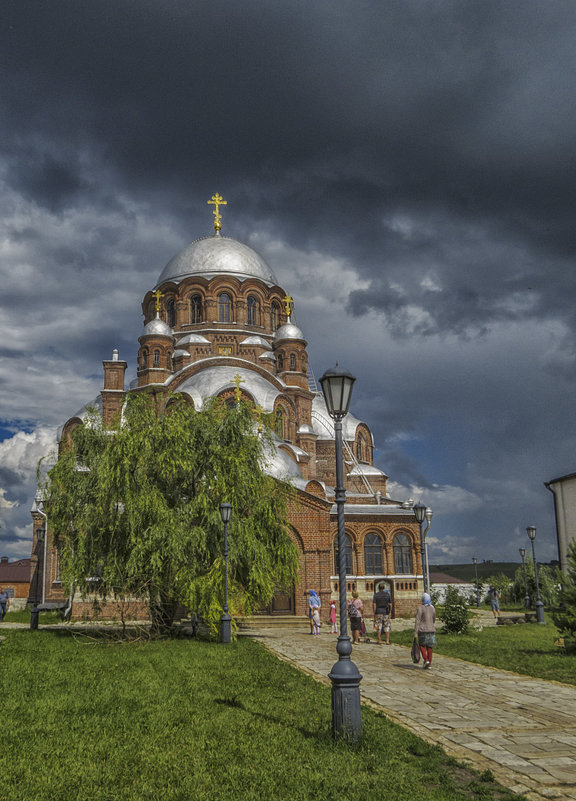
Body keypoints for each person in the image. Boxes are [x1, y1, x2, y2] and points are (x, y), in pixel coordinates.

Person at [414, 592, 436, 669]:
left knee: (422, 645)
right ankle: (429, 663)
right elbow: (434, 619)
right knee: (430, 647)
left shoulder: (420, 608)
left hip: (422, 630)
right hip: (431, 630)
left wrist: (415, 633)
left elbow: (418, 620)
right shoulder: (432, 608)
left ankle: (426, 659)